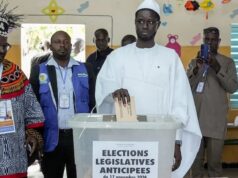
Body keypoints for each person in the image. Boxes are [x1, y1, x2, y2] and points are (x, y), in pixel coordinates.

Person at [95, 0, 202, 177]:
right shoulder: (117, 57)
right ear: (135, 22)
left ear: (158, 25)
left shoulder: (170, 58)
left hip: (161, 139)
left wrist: (177, 141)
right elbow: (103, 89)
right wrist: (113, 92)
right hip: (124, 142)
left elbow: (180, 102)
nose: (145, 25)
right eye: (141, 21)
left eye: (150, 21)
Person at [29, 30, 96, 178]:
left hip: (79, 137)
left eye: (65, 41)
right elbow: (33, 104)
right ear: (51, 46)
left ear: (71, 45)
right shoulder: (39, 70)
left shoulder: (86, 68)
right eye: (57, 42)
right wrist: (34, 134)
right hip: (51, 137)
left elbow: (93, 103)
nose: (62, 45)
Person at [0, 2, 44, 178]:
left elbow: (32, 110)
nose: (2, 51)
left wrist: (33, 134)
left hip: (13, 155)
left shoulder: (15, 72)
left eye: (5, 46)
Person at [187, 27, 238, 177]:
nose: (210, 43)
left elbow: (233, 87)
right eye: (206, 40)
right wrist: (196, 69)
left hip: (216, 121)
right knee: (195, 164)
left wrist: (216, 67)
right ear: (203, 41)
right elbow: (187, 86)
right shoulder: (194, 62)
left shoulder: (227, 62)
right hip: (196, 121)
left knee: (214, 165)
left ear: (219, 41)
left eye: (213, 40)